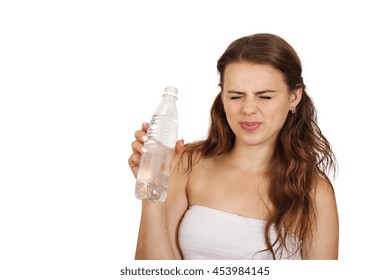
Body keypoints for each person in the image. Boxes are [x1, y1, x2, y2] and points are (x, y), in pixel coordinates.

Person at [129, 33, 339, 260]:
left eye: (265, 97)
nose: (248, 109)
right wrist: (151, 191)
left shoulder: (313, 192)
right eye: (236, 96)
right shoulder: (189, 163)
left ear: (294, 96)